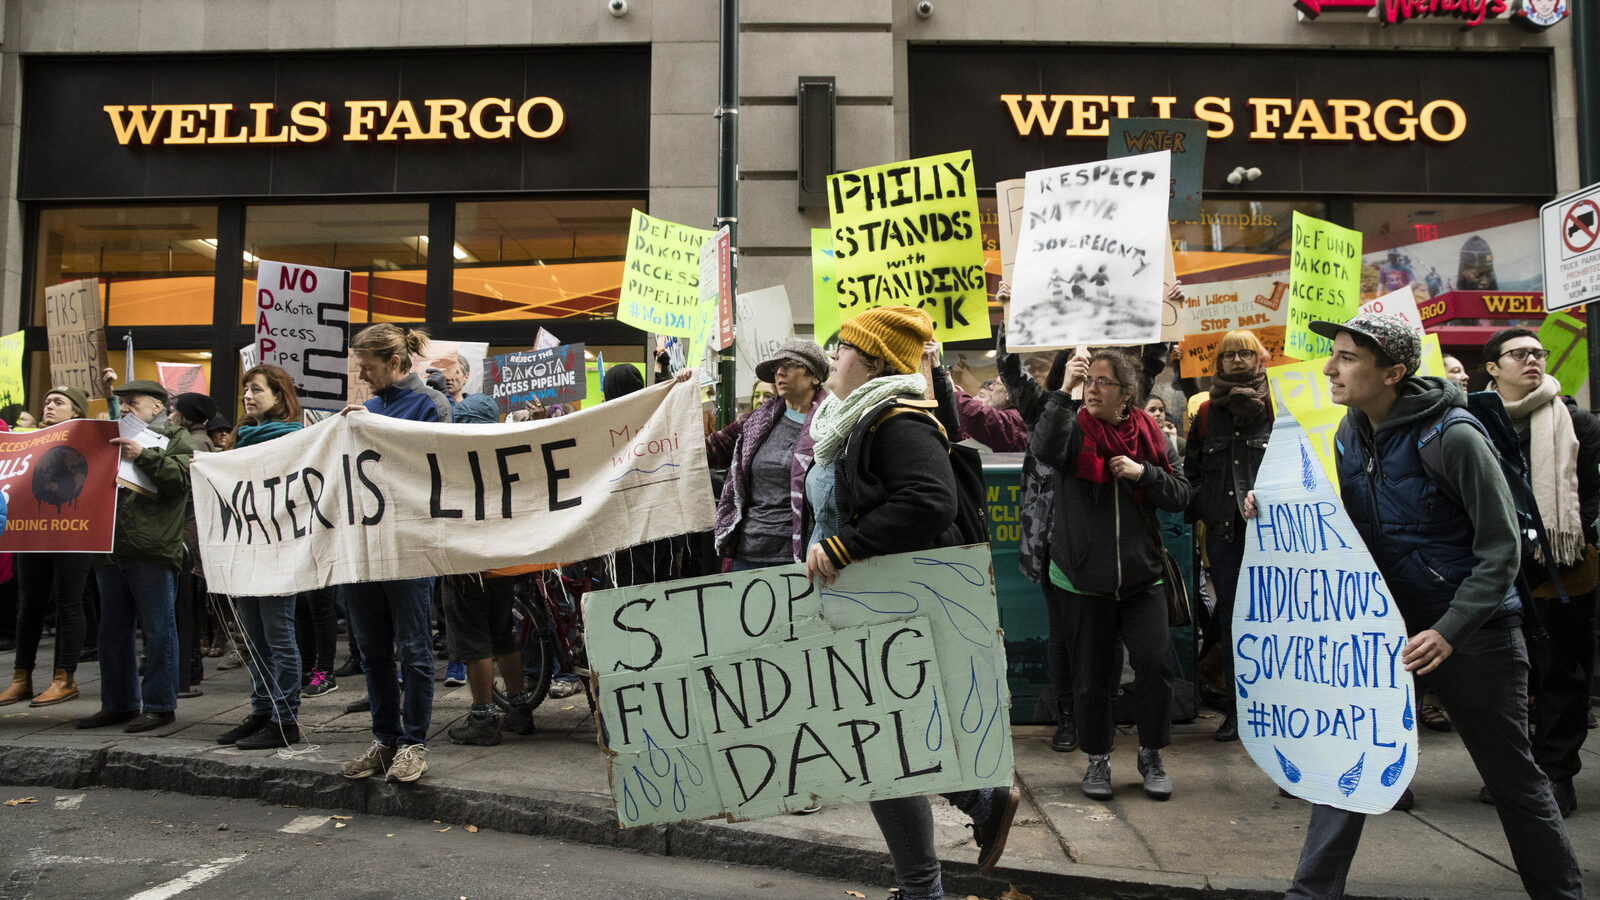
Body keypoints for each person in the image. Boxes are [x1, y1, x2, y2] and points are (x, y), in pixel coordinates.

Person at [1274, 312, 1585, 900]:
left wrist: (1451, 630)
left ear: (1392, 372)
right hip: (1387, 634)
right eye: (1332, 353)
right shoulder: (1348, 432)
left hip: (1476, 637)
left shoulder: (1454, 436)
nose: (1328, 367)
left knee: (1514, 781)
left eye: (1346, 357)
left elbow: (1502, 550)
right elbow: (1354, 533)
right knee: (1350, 770)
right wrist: (1278, 518)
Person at [802, 305, 1020, 898]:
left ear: (871, 362)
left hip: (889, 606)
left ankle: (929, 878)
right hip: (859, 606)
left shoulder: (896, 418)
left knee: (875, 748)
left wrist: (847, 545)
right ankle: (952, 838)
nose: (832, 360)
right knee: (882, 745)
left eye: (842, 349)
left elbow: (930, 498)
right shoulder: (853, 418)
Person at [1032, 348, 1190, 801]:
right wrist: (1064, 390)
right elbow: (1044, 448)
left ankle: (1151, 753)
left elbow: (1180, 494)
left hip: (1142, 578)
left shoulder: (1153, 434)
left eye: (1103, 381)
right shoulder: (1071, 428)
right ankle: (1097, 759)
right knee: (1092, 677)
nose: (1092, 389)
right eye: (1089, 381)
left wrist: (1144, 475)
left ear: (1126, 392)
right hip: (1083, 579)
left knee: (1155, 666)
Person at [1482, 326, 1599, 817]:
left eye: (1538, 353)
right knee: (1505, 677)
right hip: (1494, 567)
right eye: (1519, 354)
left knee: (1561, 675)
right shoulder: (1473, 422)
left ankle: (1557, 775)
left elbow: (1593, 492)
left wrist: (1572, 534)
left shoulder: (1577, 422)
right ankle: (1518, 773)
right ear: (1492, 368)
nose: (1532, 360)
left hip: (1564, 567)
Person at [338, 323, 451, 785]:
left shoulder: (430, 404)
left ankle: (413, 743)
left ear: (396, 363)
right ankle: (385, 739)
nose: (362, 377)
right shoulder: (367, 408)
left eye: (368, 368)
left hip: (408, 546)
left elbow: (441, 467)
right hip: (366, 547)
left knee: (414, 649)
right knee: (372, 651)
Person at [76, 379, 195, 733]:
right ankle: (118, 704)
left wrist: (142, 455)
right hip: (111, 548)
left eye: (133, 402)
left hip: (153, 548)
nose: (125, 408)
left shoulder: (176, 439)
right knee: (112, 632)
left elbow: (181, 480)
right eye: (122, 402)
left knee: (159, 631)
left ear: (157, 407)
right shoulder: (109, 440)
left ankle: (160, 706)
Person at [1182, 330, 1271, 743]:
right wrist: (1204, 507)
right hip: (1224, 534)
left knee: (1276, 620)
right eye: (1228, 354)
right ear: (1217, 363)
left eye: (1245, 353)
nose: (1237, 360)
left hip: (1274, 534)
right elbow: (1193, 470)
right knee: (1236, 622)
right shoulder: (1203, 413)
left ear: (1259, 358)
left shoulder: (1277, 403)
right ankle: (1240, 710)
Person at [213, 366, 308, 751]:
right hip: (246, 548)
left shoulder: (295, 438)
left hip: (279, 550)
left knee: (279, 636)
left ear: (279, 396)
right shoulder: (243, 437)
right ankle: (261, 711)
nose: (248, 396)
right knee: (254, 639)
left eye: (256, 389)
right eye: (245, 390)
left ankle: (286, 720)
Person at [1, 383, 102, 708]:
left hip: (73, 531)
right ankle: (21, 677)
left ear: (76, 412)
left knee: (68, 603)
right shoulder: (26, 441)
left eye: (58, 401)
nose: (48, 405)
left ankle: (65, 677)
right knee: (28, 604)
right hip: (33, 531)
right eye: (46, 400)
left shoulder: (88, 439)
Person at [706, 338, 829, 571]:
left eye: (791, 364)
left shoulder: (833, 426)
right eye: (776, 367)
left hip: (802, 558)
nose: (780, 372)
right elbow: (708, 451)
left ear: (815, 377)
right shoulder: (756, 421)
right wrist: (682, 392)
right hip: (746, 553)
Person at [169, 392, 218, 700]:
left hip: (188, 524)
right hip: (191, 523)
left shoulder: (194, 443)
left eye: (174, 410)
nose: (170, 415)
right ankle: (190, 661)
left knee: (188, 597)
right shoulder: (198, 439)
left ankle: (189, 664)